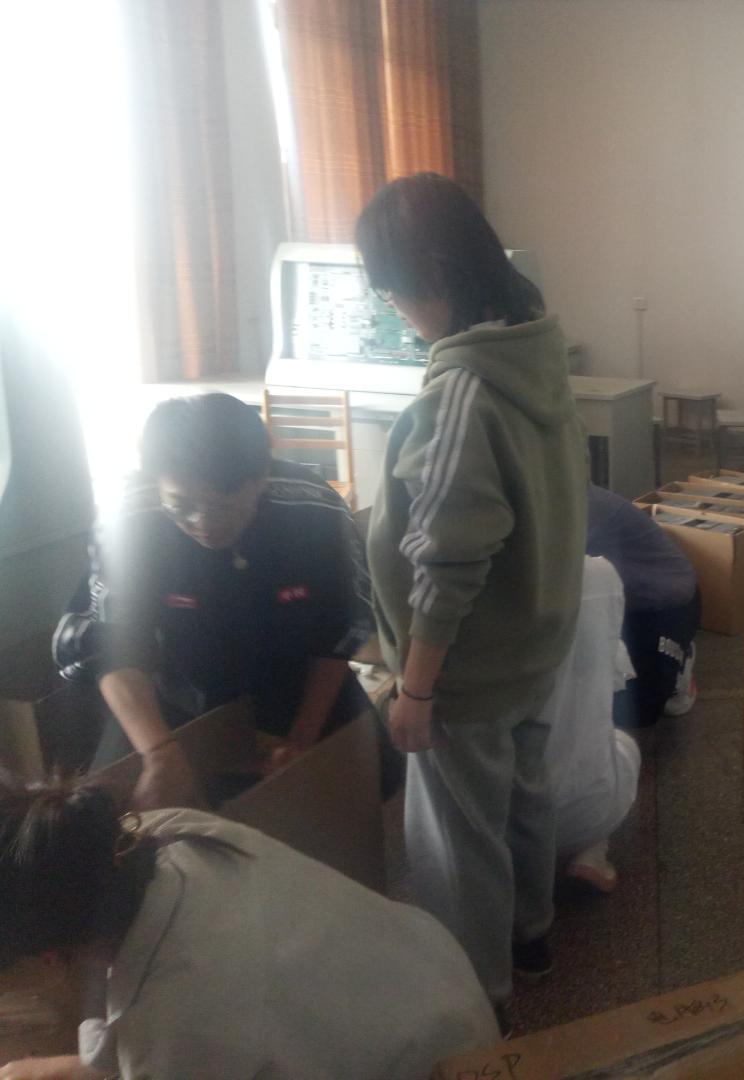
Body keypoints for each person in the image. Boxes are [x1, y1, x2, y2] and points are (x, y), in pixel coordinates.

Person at [357, 173, 588, 1021]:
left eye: (391, 287)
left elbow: (449, 560)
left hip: (469, 663)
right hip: (533, 639)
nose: (391, 306)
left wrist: (417, 689)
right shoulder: (534, 351)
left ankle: (477, 997)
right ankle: (532, 936)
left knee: (461, 837)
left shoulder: (460, 392)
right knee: (525, 795)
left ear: (433, 275)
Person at [0, 777, 496, 1079]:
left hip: (430, 1064)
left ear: (49, 956)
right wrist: (79, 1066)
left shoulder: (176, 1023)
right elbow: (148, 1016)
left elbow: (170, 1032)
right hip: (433, 987)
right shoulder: (157, 833)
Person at [52, 394, 382, 809]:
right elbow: (112, 647)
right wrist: (158, 752)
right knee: (111, 805)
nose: (204, 523)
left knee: (373, 780)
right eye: (182, 506)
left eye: (225, 506)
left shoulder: (313, 508)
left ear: (261, 478)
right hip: (180, 688)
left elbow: (339, 628)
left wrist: (303, 736)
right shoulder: (129, 521)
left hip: (297, 676)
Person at [541, 556, 640, 893]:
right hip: (584, 811)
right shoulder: (600, 575)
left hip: (481, 827)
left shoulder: (449, 593)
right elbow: (615, 676)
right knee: (624, 744)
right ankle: (593, 852)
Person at [584, 484, 700, 724]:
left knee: (639, 712)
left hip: (665, 607)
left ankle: (680, 659)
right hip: (623, 603)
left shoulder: (580, 506)